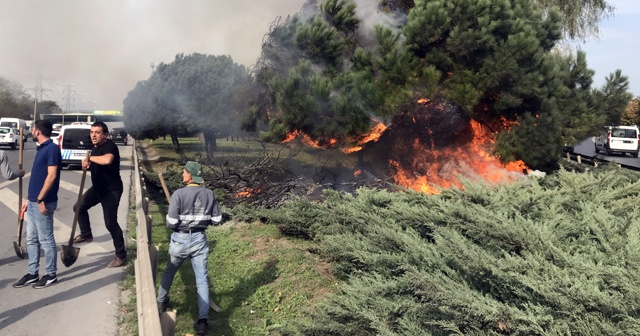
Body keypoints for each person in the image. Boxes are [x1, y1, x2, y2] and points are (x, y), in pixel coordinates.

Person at [157, 161, 222, 336]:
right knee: (202, 280)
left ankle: (161, 302)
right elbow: (216, 220)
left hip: (180, 239)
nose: (182, 175)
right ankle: (202, 322)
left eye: (184, 172)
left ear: (190, 176)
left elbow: (171, 223)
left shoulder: (178, 194)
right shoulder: (209, 194)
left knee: (169, 272)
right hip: (200, 239)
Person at [13, 119, 62, 289]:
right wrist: (29, 199)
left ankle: (51, 274)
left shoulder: (52, 149)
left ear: (37, 131)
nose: (31, 132)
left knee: (46, 240)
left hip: (44, 202)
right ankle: (33, 273)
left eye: (33, 129)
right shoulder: (41, 148)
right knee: (32, 240)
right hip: (33, 201)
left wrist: (41, 199)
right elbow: (39, 177)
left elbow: (51, 176)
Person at [73, 121, 127, 268]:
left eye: (97, 132)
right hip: (98, 189)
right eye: (92, 132)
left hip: (111, 191)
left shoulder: (110, 146)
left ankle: (121, 256)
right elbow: (95, 164)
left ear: (104, 134)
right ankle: (86, 234)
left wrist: (89, 158)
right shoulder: (94, 149)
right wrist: (86, 165)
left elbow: (107, 160)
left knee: (110, 223)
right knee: (78, 207)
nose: (94, 135)